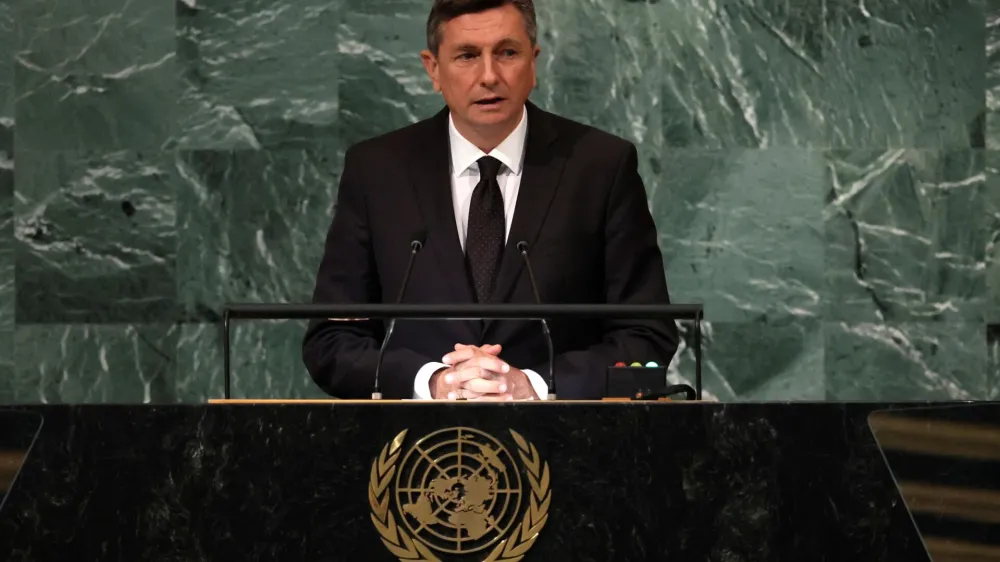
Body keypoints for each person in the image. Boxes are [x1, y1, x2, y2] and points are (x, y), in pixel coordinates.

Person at [302, 0, 679, 401]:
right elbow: (331, 341)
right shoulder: (377, 171)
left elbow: (647, 337)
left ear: (533, 62)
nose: (489, 76)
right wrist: (431, 381)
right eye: (467, 56)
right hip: (414, 449)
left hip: (569, 443)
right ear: (433, 69)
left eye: (507, 53)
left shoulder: (600, 166)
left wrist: (533, 385)